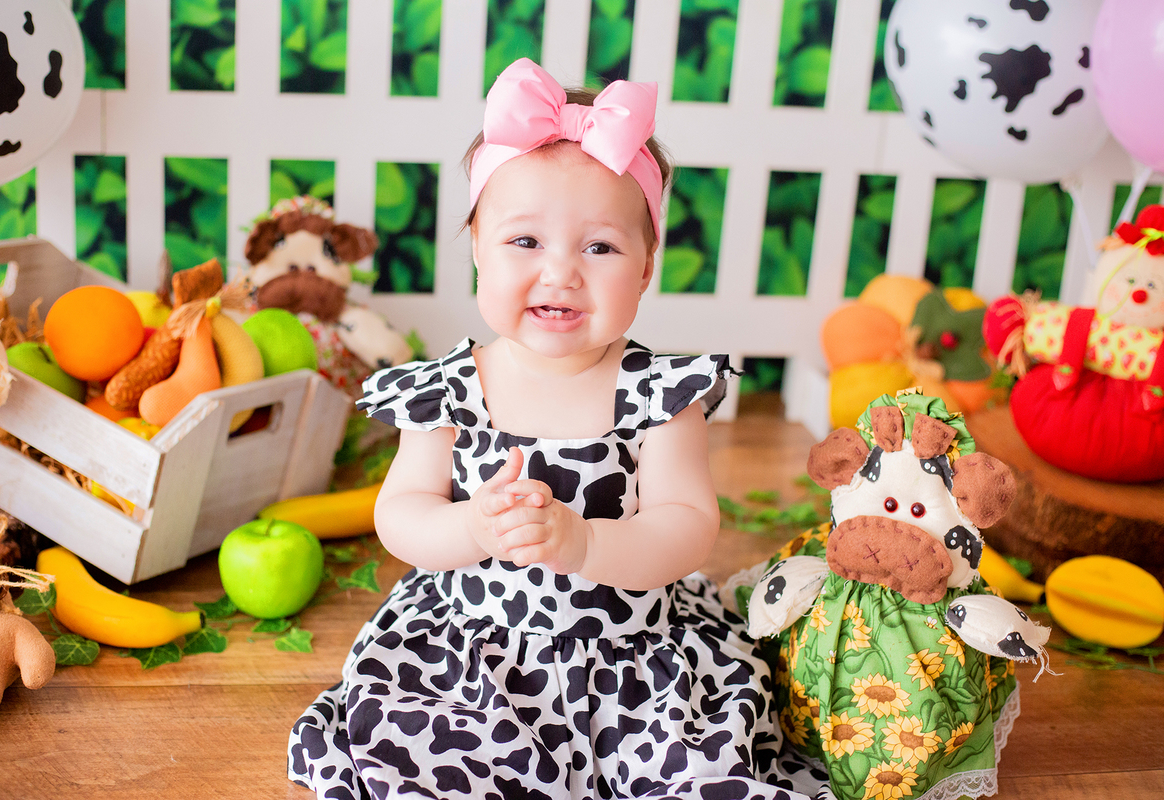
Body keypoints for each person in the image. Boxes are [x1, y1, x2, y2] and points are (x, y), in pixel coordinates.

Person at [288, 58, 825, 800]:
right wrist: (473, 527)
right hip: (470, 654)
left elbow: (688, 525)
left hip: (632, 656)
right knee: (429, 760)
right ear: (476, 248)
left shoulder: (663, 394)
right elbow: (401, 516)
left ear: (644, 269)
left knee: (691, 773)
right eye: (524, 243)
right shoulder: (449, 389)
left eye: (600, 247)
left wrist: (586, 544)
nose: (561, 273)